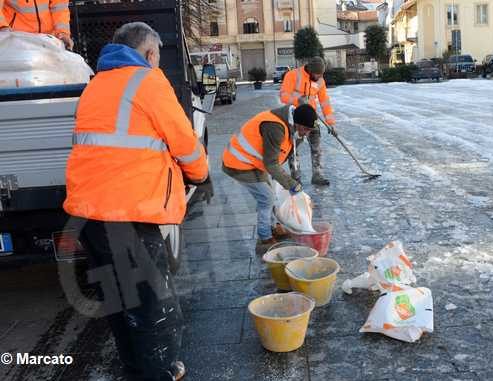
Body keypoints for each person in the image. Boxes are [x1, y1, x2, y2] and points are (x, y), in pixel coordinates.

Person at [63, 22, 208, 381]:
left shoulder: (96, 85)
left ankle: (135, 369)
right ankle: (157, 373)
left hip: (88, 215)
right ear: (150, 54)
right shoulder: (148, 81)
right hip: (127, 214)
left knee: (118, 300)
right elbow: (186, 143)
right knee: (150, 305)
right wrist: (201, 175)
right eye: (156, 58)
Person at [222, 104, 318, 253]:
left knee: (271, 194)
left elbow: (280, 158)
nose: (306, 134)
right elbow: (271, 163)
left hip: (254, 163)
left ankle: (273, 228)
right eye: (305, 130)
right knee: (266, 198)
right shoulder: (275, 127)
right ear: (297, 123)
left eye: (309, 131)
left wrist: (296, 191)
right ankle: (264, 239)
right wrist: (291, 185)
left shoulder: (292, 125)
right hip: (239, 162)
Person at [279, 56, 336, 186]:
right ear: (310, 70)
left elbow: (325, 102)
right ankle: (296, 178)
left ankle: (317, 175)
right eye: (317, 74)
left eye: (321, 74)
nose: (319, 76)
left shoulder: (320, 80)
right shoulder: (292, 75)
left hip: (311, 116)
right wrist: (298, 100)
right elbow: (283, 96)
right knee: (292, 148)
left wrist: (330, 123)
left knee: (317, 147)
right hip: (295, 117)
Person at [0, 0, 74, 49]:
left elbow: (60, 7)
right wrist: (3, 28)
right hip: (15, 40)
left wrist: (63, 33)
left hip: (47, 40)